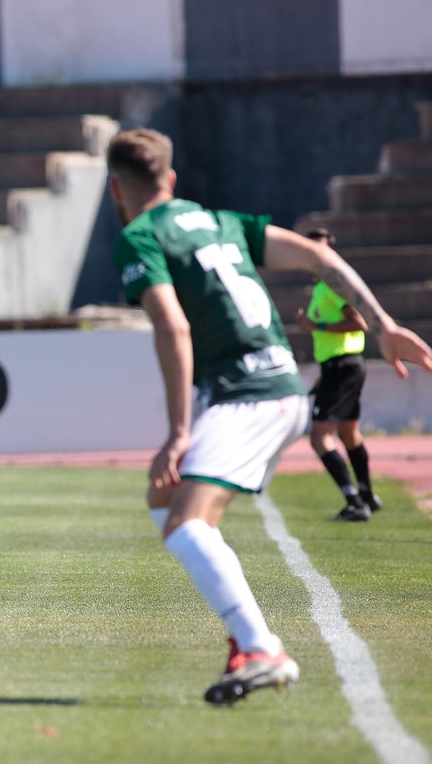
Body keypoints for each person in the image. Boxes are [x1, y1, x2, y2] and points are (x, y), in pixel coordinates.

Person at [106, 128, 432, 706]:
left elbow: (173, 327)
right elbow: (317, 256)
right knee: (166, 502)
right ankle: (248, 640)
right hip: (276, 383)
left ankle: (260, 648)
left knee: (186, 523)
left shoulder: (139, 236)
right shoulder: (222, 221)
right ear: (172, 179)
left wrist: (178, 432)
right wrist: (383, 326)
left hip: (248, 394)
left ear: (116, 191)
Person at [294, 228, 380, 522]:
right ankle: (367, 495)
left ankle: (354, 501)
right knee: (348, 433)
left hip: (344, 367)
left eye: (322, 248)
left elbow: (359, 323)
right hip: (343, 367)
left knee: (319, 437)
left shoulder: (332, 285)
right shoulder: (323, 288)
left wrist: (313, 327)